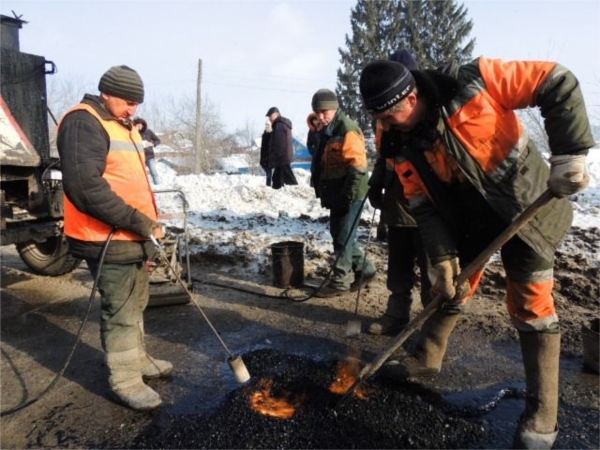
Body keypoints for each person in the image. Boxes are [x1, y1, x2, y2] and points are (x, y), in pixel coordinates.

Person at [359, 57, 593, 448]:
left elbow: (555, 80)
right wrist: (442, 256)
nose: (387, 123)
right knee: (446, 287)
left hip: (523, 206)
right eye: (379, 117)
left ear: (412, 95)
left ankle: (542, 416)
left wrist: (570, 152)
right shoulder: (395, 138)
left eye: (391, 113)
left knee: (530, 302)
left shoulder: (473, 81)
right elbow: (422, 204)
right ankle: (426, 358)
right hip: (465, 220)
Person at [57, 65, 173, 411]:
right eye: (128, 101)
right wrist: (138, 221)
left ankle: (137, 359)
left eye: (137, 102)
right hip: (105, 234)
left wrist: (146, 225)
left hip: (131, 233)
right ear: (106, 92)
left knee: (137, 301)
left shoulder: (119, 123)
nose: (133, 109)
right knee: (120, 308)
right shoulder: (83, 122)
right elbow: (85, 188)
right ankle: (124, 379)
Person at [367, 49, 431, 335]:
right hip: (396, 203)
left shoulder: (424, 118)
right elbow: (384, 156)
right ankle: (397, 315)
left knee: (432, 269)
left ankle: (431, 323)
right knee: (398, 265)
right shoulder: (385, 119)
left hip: (428, 208)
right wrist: (375, 183)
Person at [310, 88, 376, 298]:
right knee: (341, 234)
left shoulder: (346, 128)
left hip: (349, 193)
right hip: (337, 192)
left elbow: (358, 166)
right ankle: (365, 270)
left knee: (342, 237)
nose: (321, 116)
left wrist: (346, 196)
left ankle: (341, 280)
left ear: (335, 108)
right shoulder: (327, 129)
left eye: (325, 111)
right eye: (318, 112)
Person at [265, 106, 298, 189]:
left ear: (276, 114)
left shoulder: (279, 124)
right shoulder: (282, 123)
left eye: (270, 116)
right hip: (283, 157)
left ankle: (296, 190)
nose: (269, 118)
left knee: (288, 178)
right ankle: (277, 190)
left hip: (282, 157)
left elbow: (278, 142)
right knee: (277, 177)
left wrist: (275, 157)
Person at [133, 117, 161, 185]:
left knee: (154, 172)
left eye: (141, 125)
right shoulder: (132, 133)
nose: (140, 126)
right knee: (140, 175)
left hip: (149, 156)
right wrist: (134, 131)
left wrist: (152, 144)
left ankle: (158, 187)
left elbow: (158, 140)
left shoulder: (148, 132)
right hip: (138, 157)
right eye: (138, 125)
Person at [306, 112, 322, 196]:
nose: (315, 122)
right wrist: (312, 151)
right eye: (313, 121)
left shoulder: (323, 129)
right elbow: (309, 143)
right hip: (315, 154)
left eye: (316, 120)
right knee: (314, 171)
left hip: (323, 153)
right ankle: (315, 191)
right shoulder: (311, 131)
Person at [260, 118, 273, 186]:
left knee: (273, 175)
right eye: (265, 125)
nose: (266, 126)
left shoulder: (274, 134)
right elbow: (263, 149)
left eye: (268, 124)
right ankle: (268, 187)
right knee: (268, 174)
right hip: (266, 159)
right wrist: (262, 160)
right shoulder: (264, 135)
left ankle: (276, 188)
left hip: (273, 159)